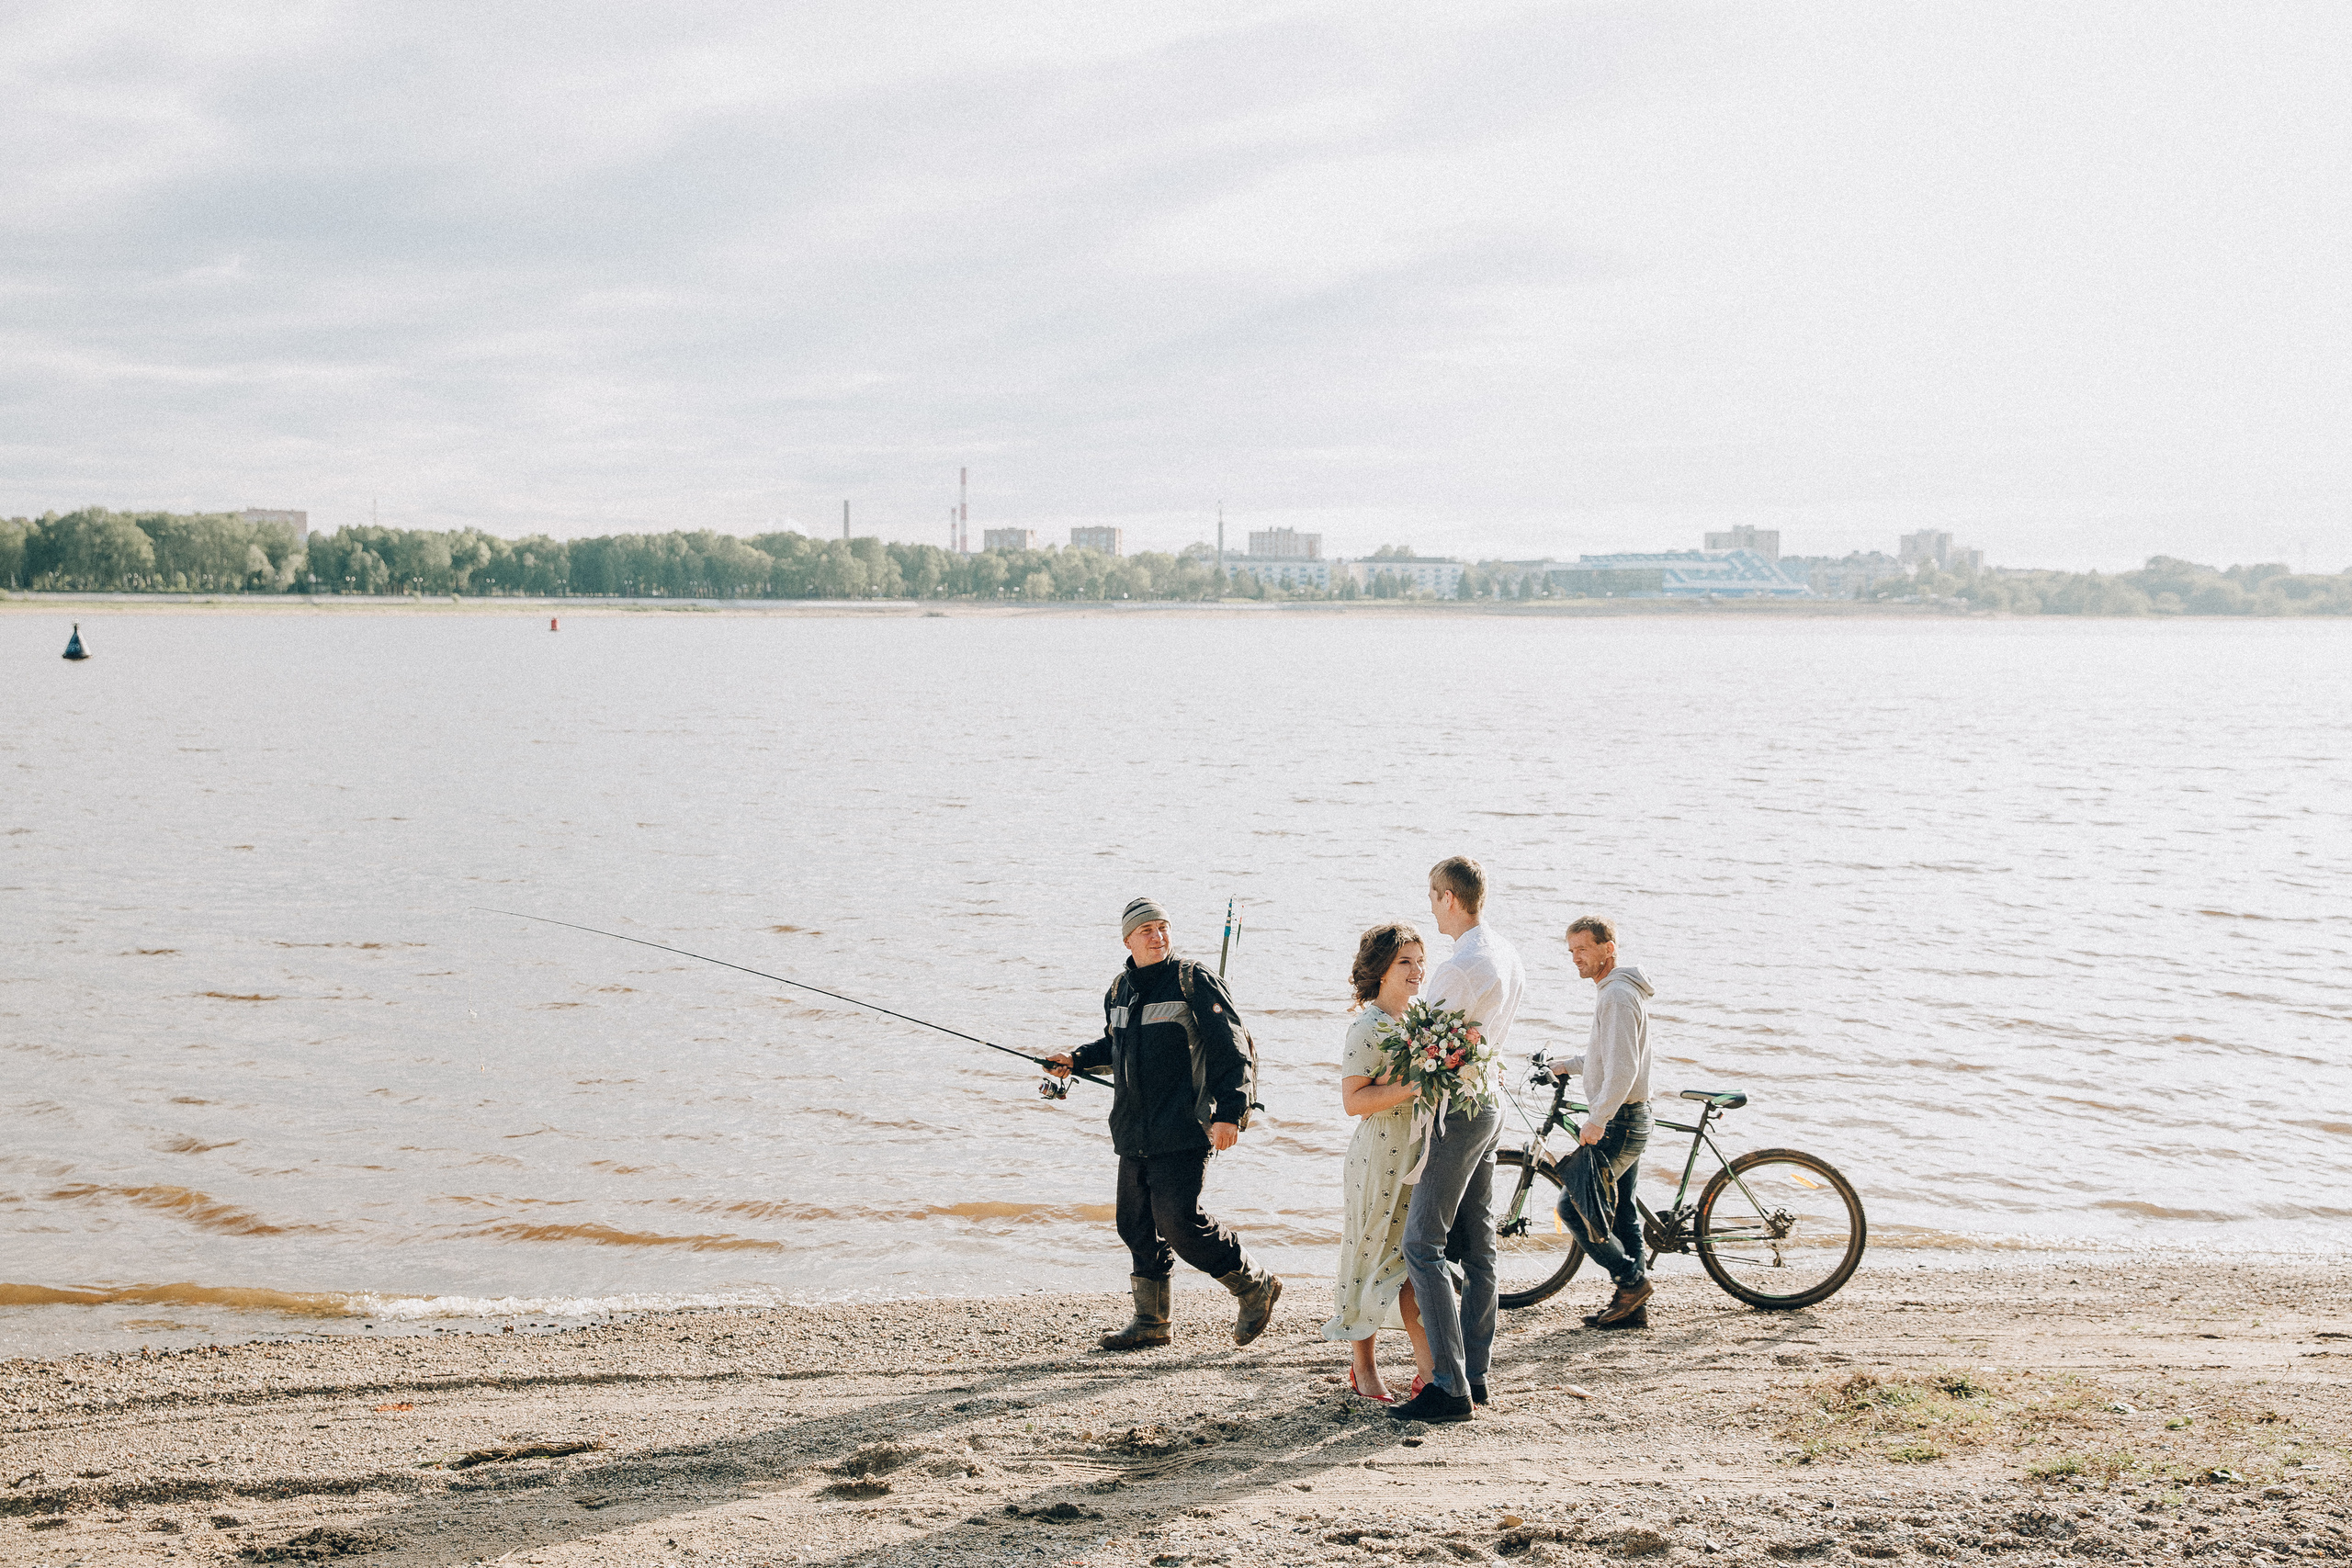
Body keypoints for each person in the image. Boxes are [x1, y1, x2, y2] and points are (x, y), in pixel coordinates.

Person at [1046, 897, 1281, 1351]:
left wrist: (1231, 1113)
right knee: (1134, 1224)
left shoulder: (1194, 980)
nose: (1158, 936)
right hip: (1133, 1130)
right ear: (1128, 940)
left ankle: (1256, 1285)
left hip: (1184, 1127)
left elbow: (1232, 1050)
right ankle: (1152, 1322)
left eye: (1163, 927)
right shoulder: (1119, 990)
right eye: (1147, 930)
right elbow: (1114, 1047)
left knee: (1180, 1222)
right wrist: (1074, 1060)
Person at [1387, 856, 1524, 1424]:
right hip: (1490, 1101)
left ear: (1448, 897)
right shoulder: (1508, 954)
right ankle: (1475, 1374)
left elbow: (1424, 1040)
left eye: (1431, 895)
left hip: (1459, 1112)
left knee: (1423, 1243)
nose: (1430, 906)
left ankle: (1447, 1386)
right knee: (1478, 1242)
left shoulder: (1459, 967)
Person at [1321, 921, 1437, 1402]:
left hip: (1421, 1152)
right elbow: (1353, 1101)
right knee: (1369, 1259)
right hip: (1379, 1155)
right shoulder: (1367, 1026)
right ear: (1382, 970)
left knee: (1413, 1262)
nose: (1416, 971)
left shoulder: (1421, 1020)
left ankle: (1431, 1373)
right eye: (1405, 962)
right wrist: (1413, 1086)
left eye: (1419, 961)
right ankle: (1363, 1365)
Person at [1558, 915, 1656, 1330]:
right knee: (1622, 1214)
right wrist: (1568, 1064)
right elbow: (1607, 1060)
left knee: (1573, 1205)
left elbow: (1623, 1071)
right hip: (1630, 1116)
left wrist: (1598, 1118)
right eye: (1571, 951)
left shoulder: (1616, 995)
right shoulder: (1616, 991)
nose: (1575, 958)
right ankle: (1633, 1310)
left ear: (1607, 949)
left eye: (1583, 949)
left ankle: (1631, 1282)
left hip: (1620, 1121)